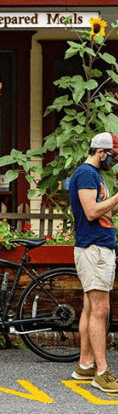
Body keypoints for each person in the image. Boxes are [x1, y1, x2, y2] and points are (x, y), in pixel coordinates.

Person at [68, 132, 118, 394]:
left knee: (90, 309)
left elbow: (104, 210)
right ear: (101, 152)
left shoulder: (93, 175)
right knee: (101, 311)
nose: (114, 161)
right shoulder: (87, 174)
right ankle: (101, 372)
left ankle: (85, 365)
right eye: (113, 156)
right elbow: (91, 211)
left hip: (97, 247)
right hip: (94, 249)